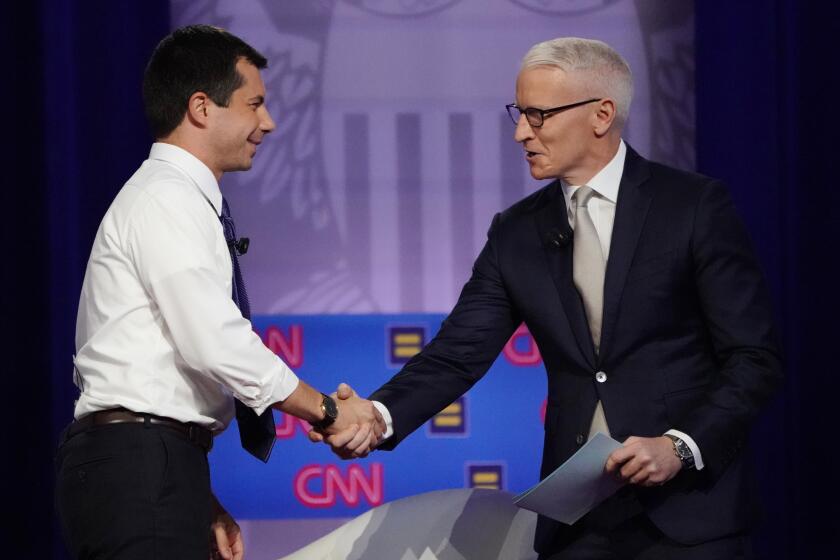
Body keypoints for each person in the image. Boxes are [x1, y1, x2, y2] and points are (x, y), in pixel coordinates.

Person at [315, 37, 782, 559]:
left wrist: (681, 446)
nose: (521, 132)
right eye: (519, 113)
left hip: (691, 517)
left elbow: (753, 358)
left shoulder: (693, 207)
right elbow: (457, 352)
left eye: (538, 115)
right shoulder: (516, 232)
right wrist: (378, 414)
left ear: (602, 114)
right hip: (577, 521)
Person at [55, 25, 381, 560]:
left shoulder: (175, 197)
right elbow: (215, 341)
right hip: (137, 463)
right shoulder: (167, 198)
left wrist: (196, 498)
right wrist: (324, 409)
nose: (268, 123)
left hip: (151, 464)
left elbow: (160, 372)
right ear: (202, 107)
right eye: (255, 105)